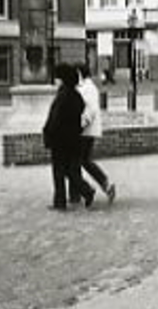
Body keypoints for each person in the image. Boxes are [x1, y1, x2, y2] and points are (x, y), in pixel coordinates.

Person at [42, 63, 95, 210]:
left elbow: (55, 118)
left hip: (60, 140)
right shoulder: (76, 95)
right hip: (73, 138)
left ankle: (60, 201)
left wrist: (48, 133)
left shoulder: (62, 96)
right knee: (70, 171)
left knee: (59, 172)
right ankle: (86, 191)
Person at [75, 64, 116, 204]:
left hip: (86, 131)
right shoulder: (85, 87)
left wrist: (81, 124)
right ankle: (103, 185)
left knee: (82, 161)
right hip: (87, 130)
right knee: (83, 161)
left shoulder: (88, 88)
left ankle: (103, 184)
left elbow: (90, 109)